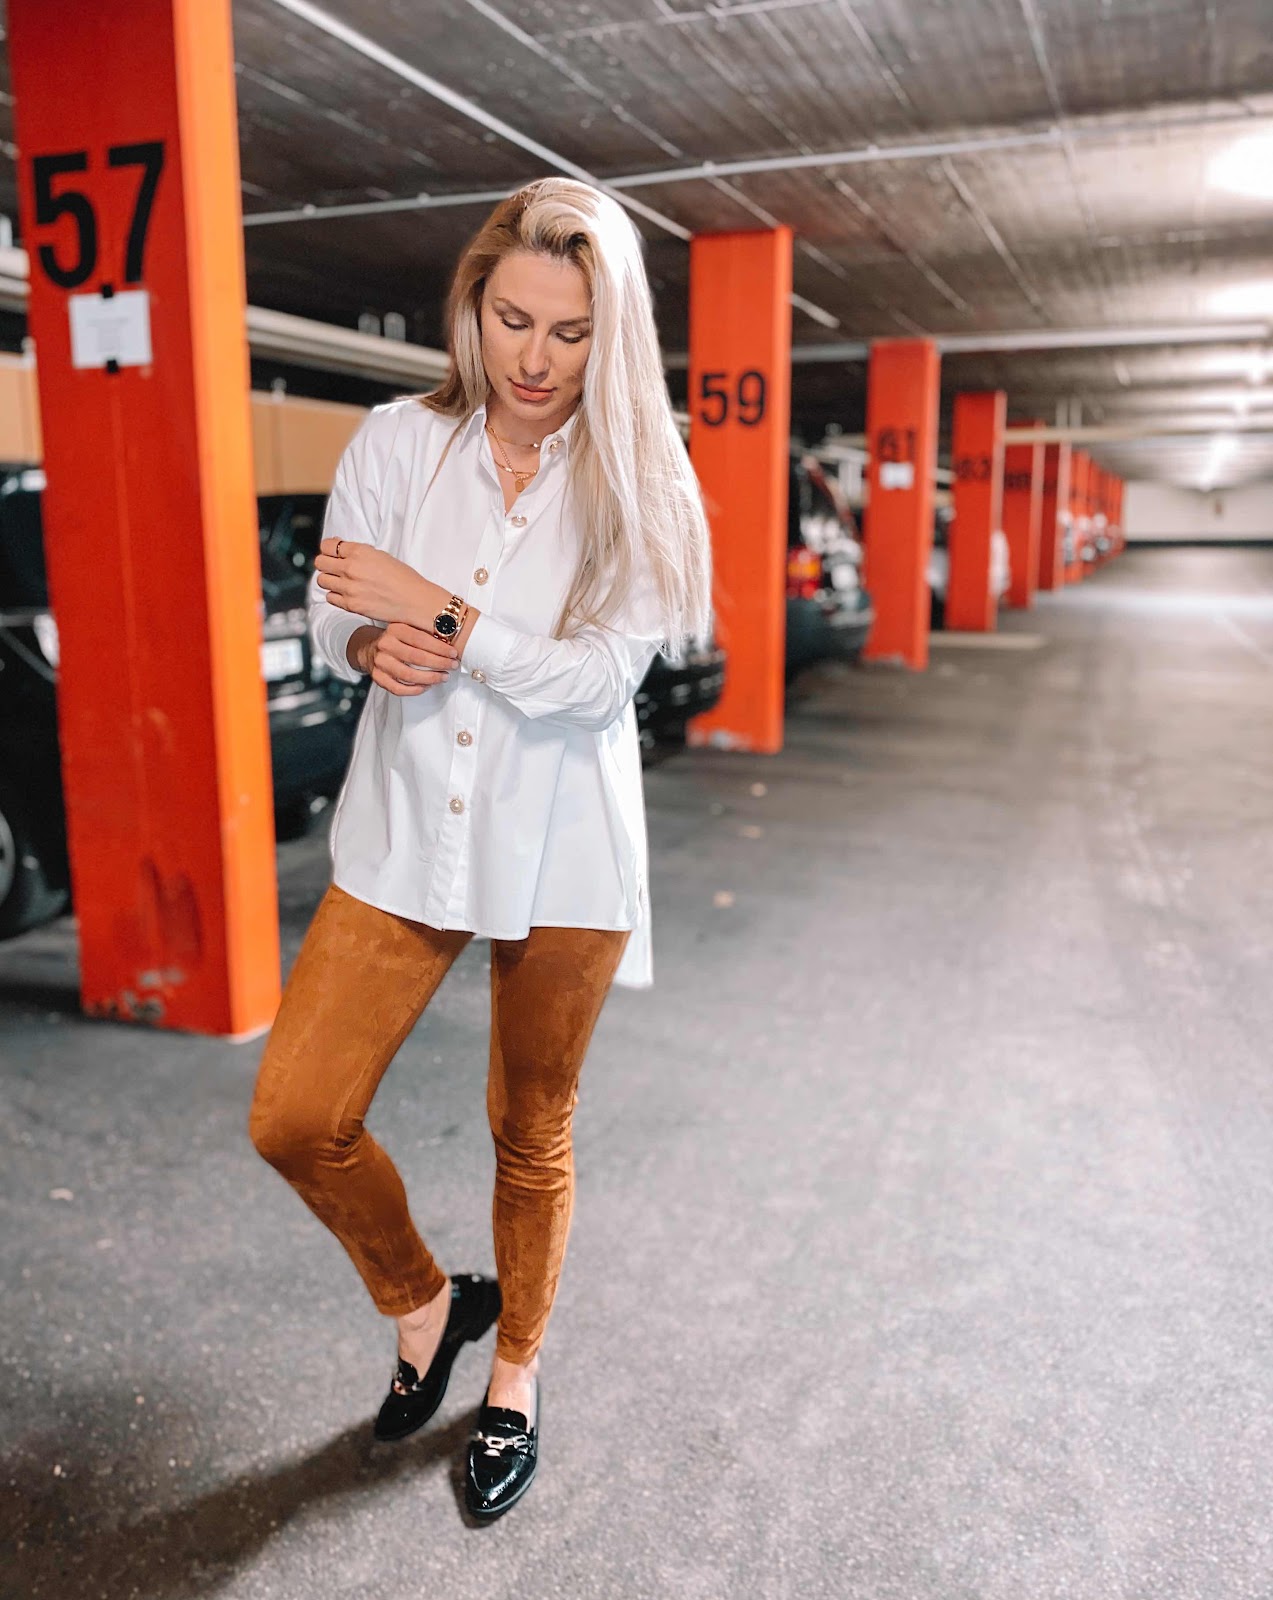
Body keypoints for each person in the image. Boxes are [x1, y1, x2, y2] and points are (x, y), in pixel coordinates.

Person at [248, 176, 712, 1520]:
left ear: (611, 336)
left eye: (570, 332)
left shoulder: (642, 480)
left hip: (564, 850)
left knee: (530, 1128)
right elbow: (337, 603)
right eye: (513, 320)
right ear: (473, 306)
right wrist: (368, 643)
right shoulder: (399, 444)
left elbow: (594, 685)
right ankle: (426, 1303)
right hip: (405, 831)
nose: (534, 359)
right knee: (298, 1116)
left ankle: (514, 1376)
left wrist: (439, 613)